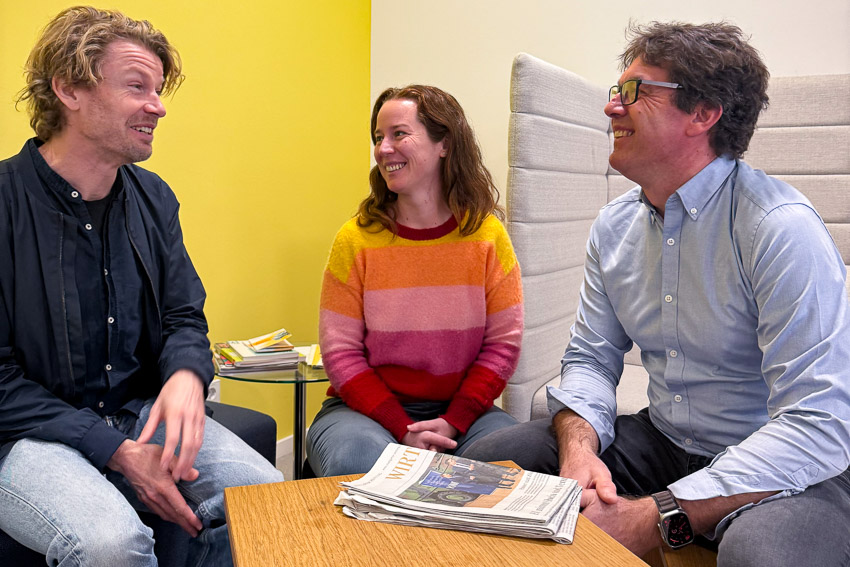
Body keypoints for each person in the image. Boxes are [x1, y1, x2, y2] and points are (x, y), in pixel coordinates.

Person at [462, 22, 850, 565]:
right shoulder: (613, 228)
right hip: (665, 441)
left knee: (763, 553)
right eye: (616, 91)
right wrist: (580, 451)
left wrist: (658, 516)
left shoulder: (780, 228)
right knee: (487, 462)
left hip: (777, 464)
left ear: (703, 113)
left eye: (633, 92)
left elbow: (817, 424)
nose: (611, 108)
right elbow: (591, 359)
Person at [0, 7, 282, 566]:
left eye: (158, 89)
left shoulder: (153, 198)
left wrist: (184, 376)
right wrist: (118, 452)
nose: (158, 105)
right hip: (26, 433)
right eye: (137, 87)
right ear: (67, 89)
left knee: (268, 505)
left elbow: (183, 315)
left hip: (136, 410)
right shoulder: (5, 204)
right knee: (112, 544)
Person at [306, 85, 523, 476]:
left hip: (465, 415)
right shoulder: (355, 240)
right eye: (378, 138)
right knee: (361, 464)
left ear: (444, 144)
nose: (383, 148)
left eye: (398, 134)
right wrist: (402, 428)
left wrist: (453, 421)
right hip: (364, 413)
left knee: (521, 463)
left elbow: (502, 346)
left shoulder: (488, 237)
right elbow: (340, 354)